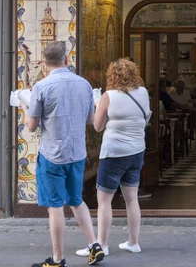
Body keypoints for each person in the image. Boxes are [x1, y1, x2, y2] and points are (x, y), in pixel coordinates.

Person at [22, 41, 104, 267]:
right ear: (66, 59)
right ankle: (94, 245)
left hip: (52, 155)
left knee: (56, 207)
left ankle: (58, 259)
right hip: (77, 153)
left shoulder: (42, 86)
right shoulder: (84, 84)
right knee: (77, 200)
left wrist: (24, 108)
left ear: (46, 62)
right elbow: (90, 119)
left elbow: (31, 126)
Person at [76, 57, 150, 258]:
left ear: (112, 76)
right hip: (137, 151)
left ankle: (103, 244)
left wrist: (98, 104)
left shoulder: (109, 96)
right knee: (132, 199)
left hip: (115, 153)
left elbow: (98, 126)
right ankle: (134, 242)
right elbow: (145, 117)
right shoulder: (143, 93)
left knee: (105, 200)